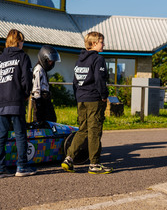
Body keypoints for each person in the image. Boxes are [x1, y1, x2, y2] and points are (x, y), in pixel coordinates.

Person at [61, 31, 112, 174]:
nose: (104, 44)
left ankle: (69, 158)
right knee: (94, 131)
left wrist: (78, 96)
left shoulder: (80, 59)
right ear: (94, 43)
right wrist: (104, 95)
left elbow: (75, 81)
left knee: (82, 130)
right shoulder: (98, 59)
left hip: (81, 99)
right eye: (102, 42)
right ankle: (94, 164)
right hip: (94, 99)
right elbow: (99, 79)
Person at [0, 29, 34, 178]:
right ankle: (22, 167)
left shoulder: (0, 58)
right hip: (16, 100)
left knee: (1, 135)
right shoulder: (23, 56)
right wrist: (26, 94)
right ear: (19, 42)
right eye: (23, 41)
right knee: (20, 134)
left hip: (0, 102)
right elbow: (27, 79)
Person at [32, 45, 60, 123]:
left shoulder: (43, 70)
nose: (51, 64)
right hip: (40, 99)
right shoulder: (38, 70)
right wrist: (38, 103)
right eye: (49, 61)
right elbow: (36, 87)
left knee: (52, 119)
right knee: (40, 121)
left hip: (46, 98)